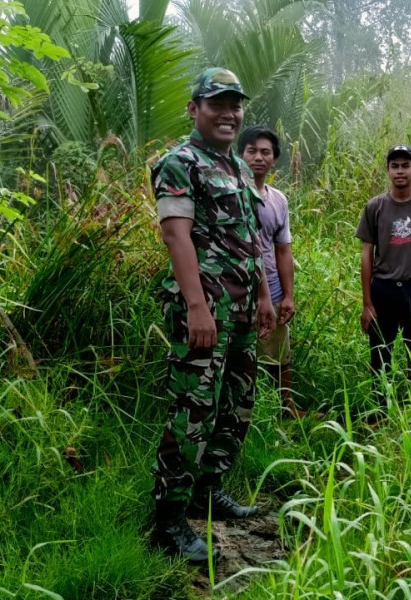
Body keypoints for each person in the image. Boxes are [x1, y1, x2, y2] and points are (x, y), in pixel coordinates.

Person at [148, 67, 276, 563]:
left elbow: (252, 238)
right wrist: (199, 308)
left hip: (244, 309)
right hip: (205, 313)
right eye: (217, 103)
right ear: (194, 109)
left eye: (235, 105)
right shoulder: (180, 163)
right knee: (192, 413)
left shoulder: (239, 168)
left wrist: (264, 297)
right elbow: (175, 235)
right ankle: (169, 521)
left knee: (237, 406)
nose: (228, 113)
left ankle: (208, 492)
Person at [355, 144, 411, 411]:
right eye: (394, 166)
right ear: (387, 170)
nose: (400, 171)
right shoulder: (375, 207)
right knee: (380, 354)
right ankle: (380, 410)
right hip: (382, 290)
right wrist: (367, 302)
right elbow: (366, 255)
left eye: (405, 165)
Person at [237, 125, 307, 418]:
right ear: (240, 154)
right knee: (242, 358)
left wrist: (288, 295)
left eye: (265, 152)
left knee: (280, 355)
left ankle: (285, 408)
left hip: (274, 291)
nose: (258, 157)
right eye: (251, 150)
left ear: (274, 158)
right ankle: (247, 414)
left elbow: (283, 250)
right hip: (238, 292)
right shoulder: (233, 193)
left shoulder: (278, 199)